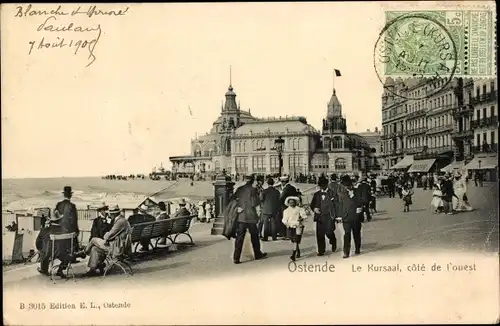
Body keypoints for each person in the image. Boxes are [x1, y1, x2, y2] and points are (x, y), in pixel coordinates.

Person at [76, 205, 131, 277]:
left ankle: (84, 252)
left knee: (93, 240)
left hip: (116, 249)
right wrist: (107, 237)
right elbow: (112, 234)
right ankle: (93, 269)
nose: (108, 214)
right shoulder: (122, 220)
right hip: (118, 246)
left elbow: (108, 235)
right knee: (94, 249)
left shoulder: (119, 222)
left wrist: (106, 237)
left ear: (113, 214)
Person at [232, 174, 267, 264]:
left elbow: (232, 199)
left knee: (239, 238)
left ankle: (236, 258)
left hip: (241, 217)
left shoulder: (239, 189)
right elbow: (255, 203)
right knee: (254, 236)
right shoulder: (253, 190)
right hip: (251, 217)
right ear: (252, 181)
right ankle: (257, 254)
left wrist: (238, 207)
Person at [310, 175, 337, 256]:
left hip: (329, 216)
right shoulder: (316, 194)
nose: (322, 187)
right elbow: (312, 204)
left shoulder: (332, 193)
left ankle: (333, 240)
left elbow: (336, 204)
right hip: (319, 217)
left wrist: (336, 216)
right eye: (320, 185)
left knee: (329, 232)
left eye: (323, 185)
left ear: (326, 184)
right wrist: (314, 209)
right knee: (320, 234)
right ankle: (321, 250)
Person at [337, 175, 362, 258]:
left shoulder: (357, 191)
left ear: (351, 185)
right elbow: (340, 205)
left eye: (347, 186)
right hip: (346, 217)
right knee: (347, 234)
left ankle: (357, 248)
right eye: (345, 186)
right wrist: (339, 216)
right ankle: (346, 252)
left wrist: (353, 196)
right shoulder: (342, 194)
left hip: (355, 217)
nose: (346, 187)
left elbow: (362, 201)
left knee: (356, 233)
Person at [282, 196, 308, 261]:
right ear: (288, 203)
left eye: (293, 202)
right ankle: (297, 250)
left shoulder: (299, 209)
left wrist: (301, 218)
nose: (291, 203)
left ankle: (293, 255)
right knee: (293, 240)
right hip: (290, 226)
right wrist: (286, 224)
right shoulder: (286, 211)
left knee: (296, 240)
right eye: (290, 202)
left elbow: (304, 216)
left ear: (295, 202)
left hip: (298, 226)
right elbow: (284, 219)